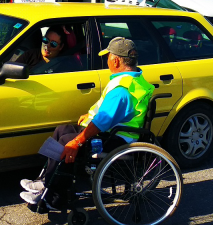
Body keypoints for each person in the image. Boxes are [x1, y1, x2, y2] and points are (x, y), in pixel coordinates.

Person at [19, 37, 155, 207]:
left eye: (108, 57)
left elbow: (103, 122)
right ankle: (46, 181)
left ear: (116, 60)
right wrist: (90, 116)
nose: (107, 61)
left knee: (67, 142)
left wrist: (78, 141)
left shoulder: (121, 90)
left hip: (118, 140)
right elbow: (111, 113)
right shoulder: (135, 80)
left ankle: (54, 198)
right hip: (118, 133)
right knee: (62, 129)